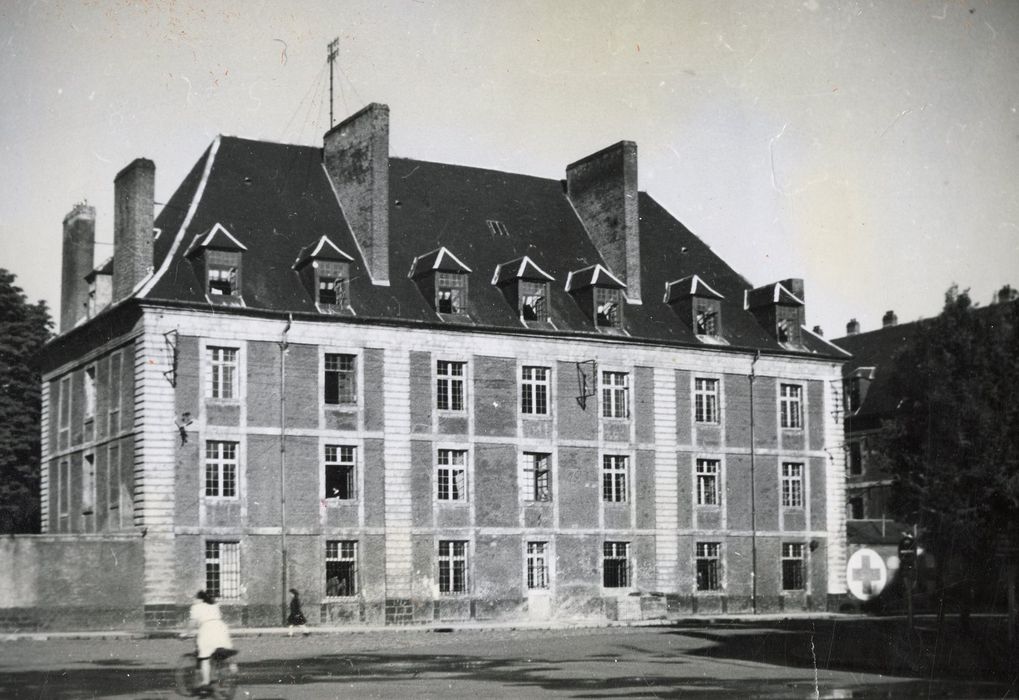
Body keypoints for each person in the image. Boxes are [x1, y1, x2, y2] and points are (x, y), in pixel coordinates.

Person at [189, 590, 234, 690]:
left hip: (207, 630)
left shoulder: (196, 607)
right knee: (220, 652)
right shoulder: (214, 605)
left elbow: (192, 623)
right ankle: (229, 669)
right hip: (221, 628)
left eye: (195, 598)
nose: (193, 600)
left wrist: (186, 633)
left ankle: (206, 681)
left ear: (199, 599)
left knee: (204, 657)